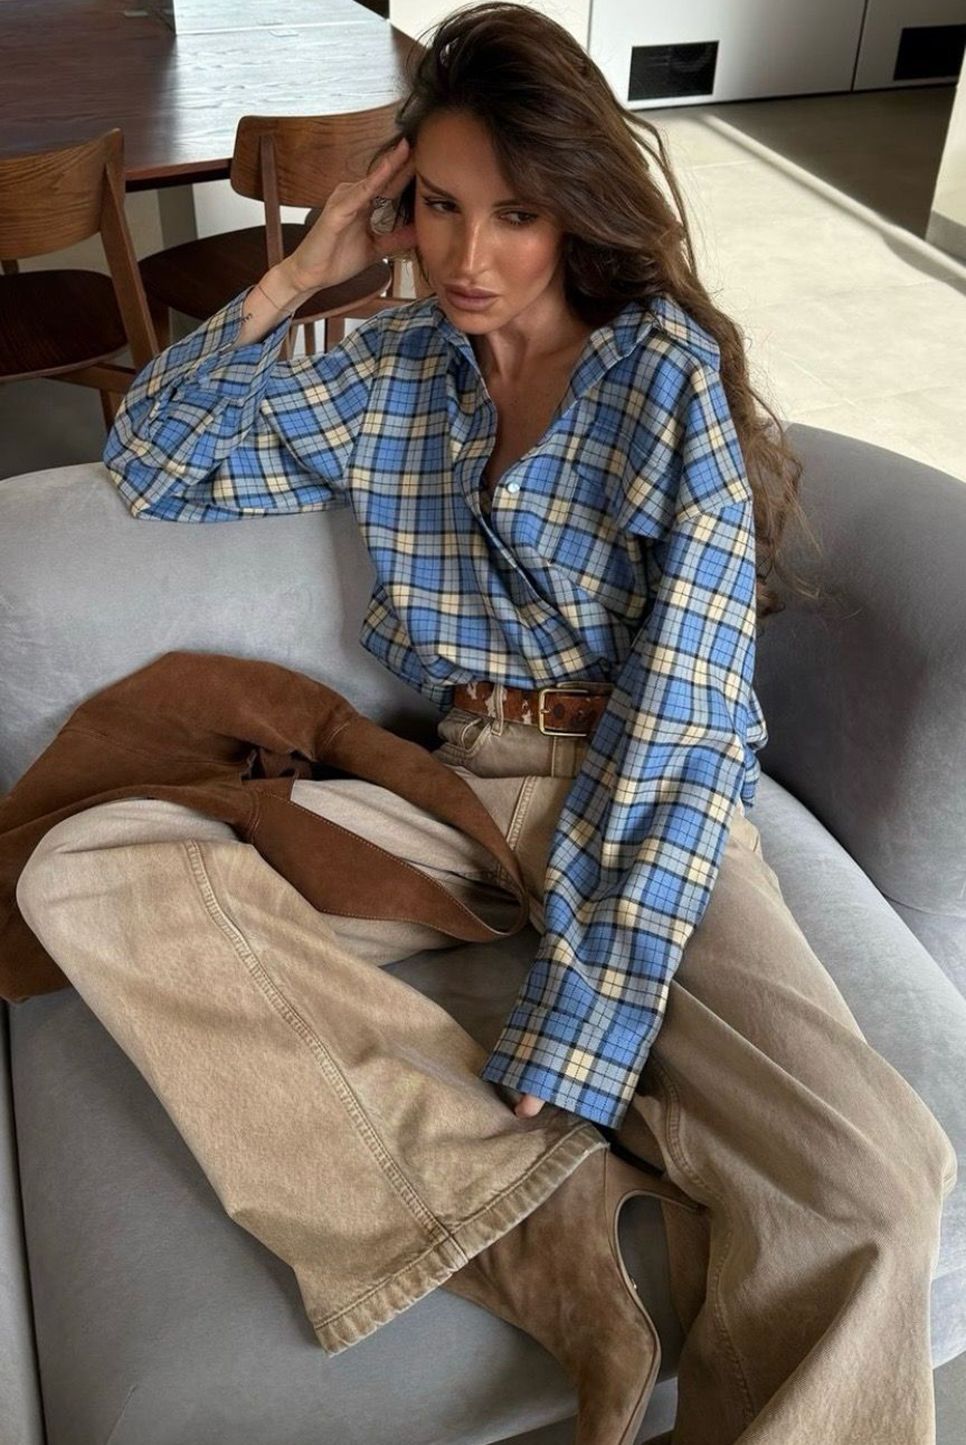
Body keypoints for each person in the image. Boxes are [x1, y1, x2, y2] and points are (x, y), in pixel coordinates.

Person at [15, 4, 956, 1443]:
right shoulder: (389, 364)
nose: (467, 256)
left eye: (515, 214)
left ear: (577, 209)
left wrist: (585, 1016)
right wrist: (302, 271)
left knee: (876, 1186)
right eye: (440, 207)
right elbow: (153, 460)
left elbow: (687, 708)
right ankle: (543, 1218)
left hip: (638, 785)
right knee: (88, 867)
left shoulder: (661, 381)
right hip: (453, 784)